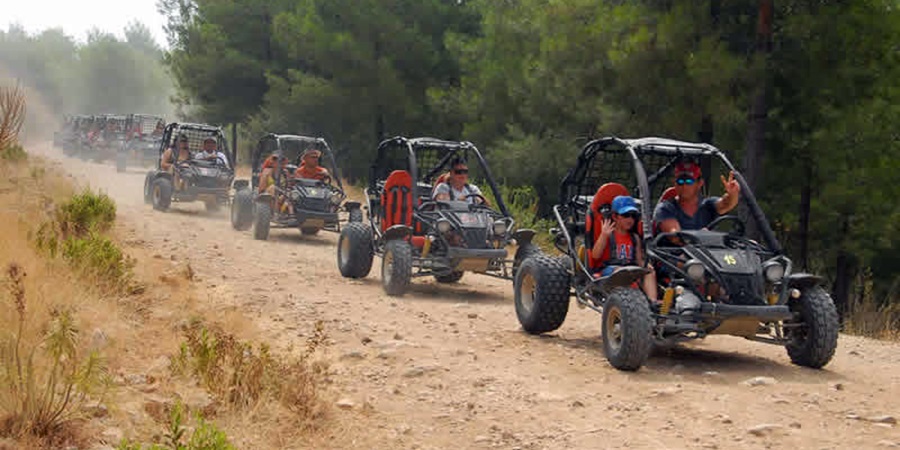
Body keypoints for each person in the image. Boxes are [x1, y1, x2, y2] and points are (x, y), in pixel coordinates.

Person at [591, 195, 657, 300]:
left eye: (633, 215)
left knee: (649, 272)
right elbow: (595, 255)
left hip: (630, 269)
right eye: (626, 215)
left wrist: (646, 266)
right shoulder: (609, 234)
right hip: (612, 270)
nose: (630, 219)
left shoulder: (634, 238)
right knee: (622, 272)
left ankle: (652, 302)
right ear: (615, 216)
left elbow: (639, 259)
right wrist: (603, 236)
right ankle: (626, 299)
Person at [654, 160, 741, 233]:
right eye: (680, 181)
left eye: (689, 181)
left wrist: (732, 194)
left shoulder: (708, 204)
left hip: (707, 251)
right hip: (673, 252)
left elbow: (725, 204)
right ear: (674, 184)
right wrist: (700, 237)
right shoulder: (665, 208)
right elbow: (675, 236)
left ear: (700, 183)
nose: (684, 186)